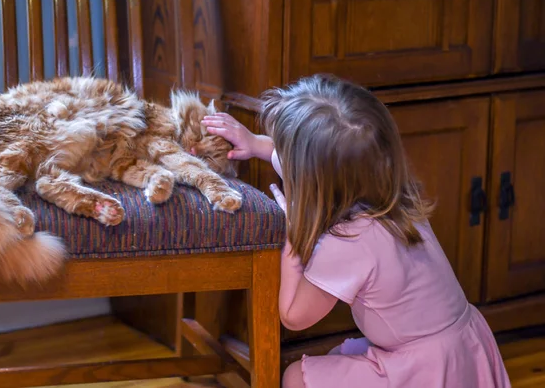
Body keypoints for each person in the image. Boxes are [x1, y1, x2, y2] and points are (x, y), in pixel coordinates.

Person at [202, 74, 511, 388]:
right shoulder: (394, 196)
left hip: (424, 369)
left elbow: (293, 315)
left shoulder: (348, 241)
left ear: (313, 181)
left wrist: (292, 241)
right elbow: (315, 166)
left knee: (296, 377)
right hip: (462, 347)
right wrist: (256, 145)